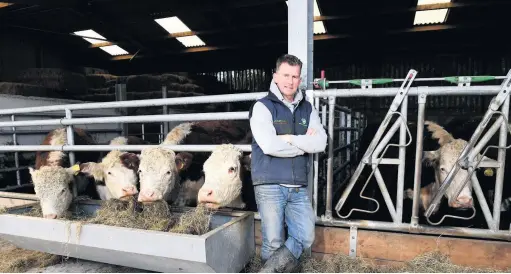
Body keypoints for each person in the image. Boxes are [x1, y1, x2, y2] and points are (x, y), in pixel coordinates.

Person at [248, 54, 328, 272]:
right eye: (285, 75)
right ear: (275, 76)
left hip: (298, 185)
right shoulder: (263, 107)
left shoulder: (307, 109)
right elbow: (270, 146)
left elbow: (321, 142)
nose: (290, 81)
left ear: (300, 78)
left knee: (306, 236)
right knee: (273, 240)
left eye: (294, 76)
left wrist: (291, 139)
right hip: (270, 182)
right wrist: (304, 144)